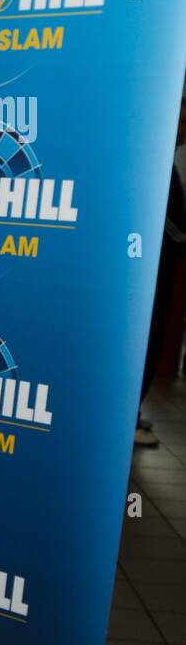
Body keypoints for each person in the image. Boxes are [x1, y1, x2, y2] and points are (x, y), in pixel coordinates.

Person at [136, 98, 186, 446]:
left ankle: (132, 414)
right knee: (144, 343)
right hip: (148, 272)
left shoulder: (163, 159)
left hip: (161, 269)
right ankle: (126, 420)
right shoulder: (152, 159)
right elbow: (167, 222)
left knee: (151, 343)